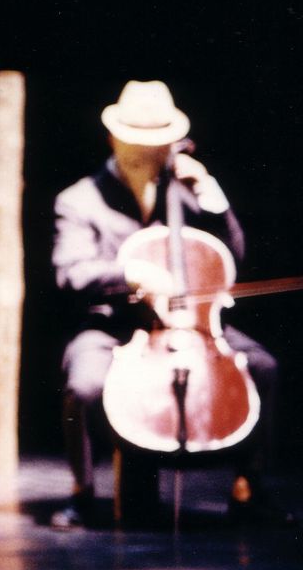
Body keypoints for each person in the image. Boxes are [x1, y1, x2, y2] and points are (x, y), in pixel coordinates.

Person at [50, 79, 290, 528]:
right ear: (113, 139)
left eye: (159, 146)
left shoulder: (184, 193)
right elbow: (71, 271)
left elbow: (230, 258)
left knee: (264, 367)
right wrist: (129, 273)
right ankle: (82, 492)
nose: (150, 155)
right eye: (139, 145)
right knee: (83, 386)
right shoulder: (80, 199)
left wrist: (213, 199)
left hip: (192, 324)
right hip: (114, 325)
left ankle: (247, 489)